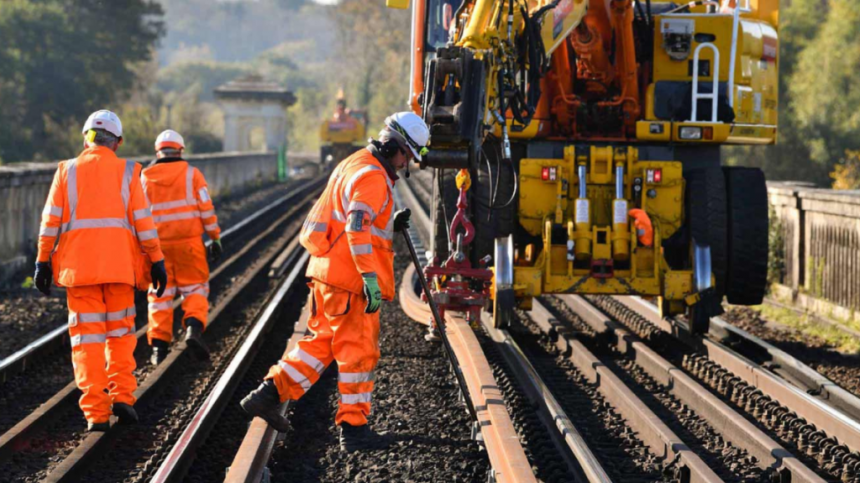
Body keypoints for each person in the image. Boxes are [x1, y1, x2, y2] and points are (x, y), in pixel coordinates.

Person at [241, 111, 430, 452]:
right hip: (350, 280)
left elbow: (361, 219)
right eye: (406, 155)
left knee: (323, 344)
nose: (405, 164)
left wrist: (391, 222)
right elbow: (357, 226)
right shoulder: (373, 176)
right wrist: (369, 278)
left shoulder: (353, 162)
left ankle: (267, 394)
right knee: (359, 353)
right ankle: (354, 429)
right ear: (393, 147)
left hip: (327, 272)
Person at [34, 110, 168, 431]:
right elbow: (144, 223)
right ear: (118, 142)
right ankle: (122, 395)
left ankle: (96, 413)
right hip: (120, 269)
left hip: (79, 273)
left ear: (85, 137)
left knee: (86, 341)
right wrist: (157, 260)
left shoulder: (66, 171)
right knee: (121, 335)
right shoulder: (128, 172)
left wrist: (42, 260)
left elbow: (50, 221)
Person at [140, 130, 222, 365]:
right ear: (180, 150)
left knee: (159, 296)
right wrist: (215, 237)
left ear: (158, 151)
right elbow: (206, 209)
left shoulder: (144, 178)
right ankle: (193, 329)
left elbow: (138, 216)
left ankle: (158, 349)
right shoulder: (192, 175)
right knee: (195, 289)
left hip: (158, 249)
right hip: (189, 244)